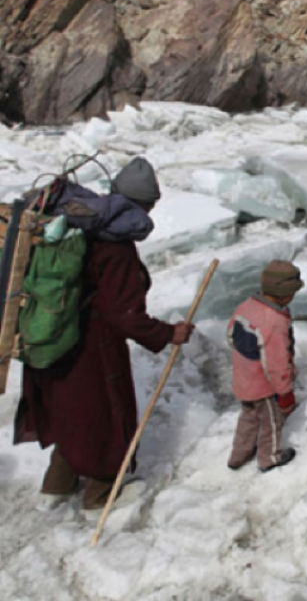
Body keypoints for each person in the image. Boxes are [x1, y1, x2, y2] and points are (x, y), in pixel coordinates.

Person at [14, 157, 194, 511]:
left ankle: (56, 487)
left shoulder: (76, 229)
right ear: (146, 205)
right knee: (105, 418)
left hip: (55, 337)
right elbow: (123, 314)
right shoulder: (115, 246)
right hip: (92, 348)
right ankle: (101, 494)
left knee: (71, 413)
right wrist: (168, 333)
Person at [227, 260, 304, 472]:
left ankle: (239, 455)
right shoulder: (274, 321)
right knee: (271, 421)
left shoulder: (246, 306)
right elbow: (276, 364)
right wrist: (285, 393)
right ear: (285, 294)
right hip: (264, 386)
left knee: (248, 417)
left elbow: (231, 336)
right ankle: (269, 457)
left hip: (243, 377)